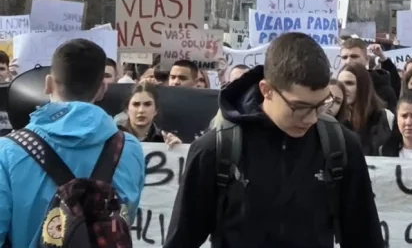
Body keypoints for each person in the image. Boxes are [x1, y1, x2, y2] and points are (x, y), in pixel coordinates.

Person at [164, 32, 383, 248]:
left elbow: (364, 239)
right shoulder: (215, 150)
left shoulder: (342, 146)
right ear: (266, 90)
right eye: (299, 107)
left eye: (322, 104)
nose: (312, 118)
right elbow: (181, 239)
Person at [0, 38, 145, 248]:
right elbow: (126, 215)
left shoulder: (7, 151)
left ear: (48, 84)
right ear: (102, 89)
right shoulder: (129, 148)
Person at [338, 63, 393, 155]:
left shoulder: (386, 117)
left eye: (349, 83)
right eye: (340, 84)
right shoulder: (333, 118)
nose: (344, 88)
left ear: (363, 86)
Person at [338, 38, 399, 111]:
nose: (348, 61)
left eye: (354, 56)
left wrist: (384, 59)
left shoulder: (383, 89)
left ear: (367, 60)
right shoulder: (335, 88)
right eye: (344, 57)